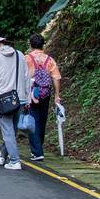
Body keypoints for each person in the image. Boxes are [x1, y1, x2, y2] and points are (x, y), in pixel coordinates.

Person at [0, 31, 30, 170]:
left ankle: (15, 161)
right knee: (12, 130)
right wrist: (27, 97)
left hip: (5, 99)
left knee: (8, 131)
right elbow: (27, 76)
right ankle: (3, 156)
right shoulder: (20, 54)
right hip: (20, 97)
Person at [25, 33, 62, 161]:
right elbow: (56, 77)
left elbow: (24, 77)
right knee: (42, 120)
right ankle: (38, 148)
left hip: (31, 94)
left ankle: (37, 151)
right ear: (43, 44)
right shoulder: (49, 60)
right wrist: (57, 95)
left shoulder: (27, 58)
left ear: (31, 45)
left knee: (32, 121)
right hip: (45, 93)